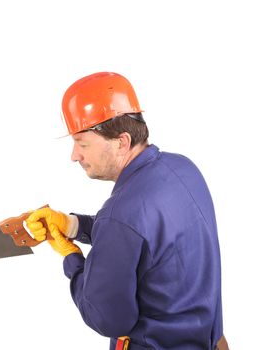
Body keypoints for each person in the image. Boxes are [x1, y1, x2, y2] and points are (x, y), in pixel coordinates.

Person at [26, 72, 228, 350]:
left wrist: (71, 258)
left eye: (82, 143)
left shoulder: (121, 214)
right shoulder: (183, 169)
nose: (74, 155)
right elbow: (140, 236)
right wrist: (72, 225)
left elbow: (107, 318)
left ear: (121, 142)